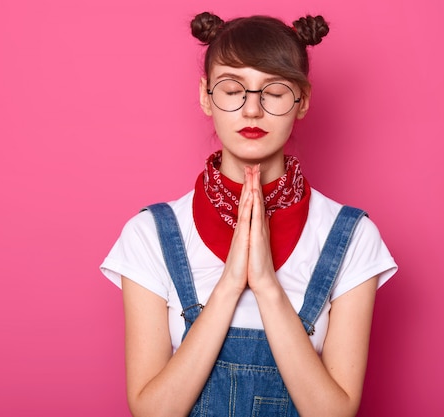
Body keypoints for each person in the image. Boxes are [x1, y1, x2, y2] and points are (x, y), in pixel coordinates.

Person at [100, 11, 397, 417]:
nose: (252, 110)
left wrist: (265, 285)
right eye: (232, 88)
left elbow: (333, 413)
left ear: (303, 100)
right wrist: (227, 288)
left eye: (273, 91)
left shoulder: (352, 237)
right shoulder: (149, 234)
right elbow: (153, 412)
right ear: (206, 96)